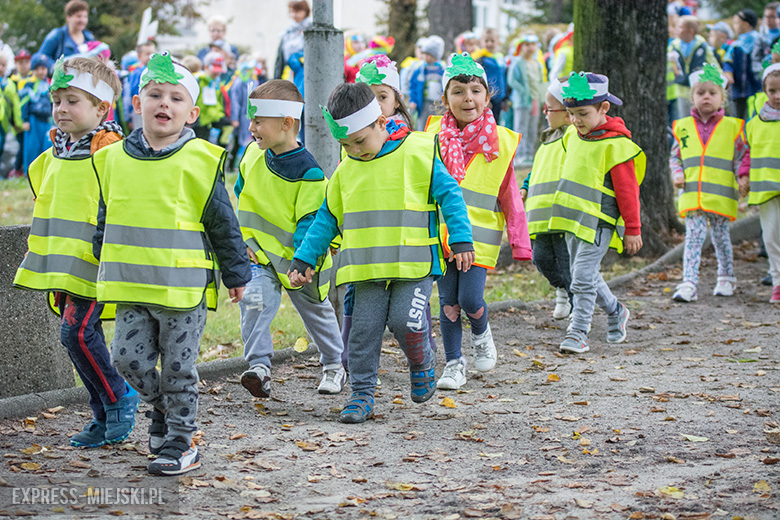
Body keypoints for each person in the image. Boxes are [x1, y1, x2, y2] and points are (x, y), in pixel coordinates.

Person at [92, 51, 251, 475]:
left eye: (175, 98)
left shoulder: (199, 160)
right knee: (127, 361)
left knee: (178, 369)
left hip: (182, 289)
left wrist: (235, 273)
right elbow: (108, 213)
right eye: (155, 94)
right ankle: (164, 411)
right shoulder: (112, 159)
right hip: (131, 285)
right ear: (137, 103)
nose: (165, 104)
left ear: (192, 111)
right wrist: (97, 250)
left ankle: (182, 441)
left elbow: (222, 221)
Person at [289, 82, 474, 423]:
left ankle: (421, 363)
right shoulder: (345, 171)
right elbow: (327, 219)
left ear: (380, 122)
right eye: (345, 144)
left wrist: (461, 239)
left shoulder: (419, 152)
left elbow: (450, 195)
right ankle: (361, 395)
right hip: (365, 271)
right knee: (362, 334)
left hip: (414, 265)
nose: (354, 150)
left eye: (359, 141)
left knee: (406, 322)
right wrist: (305, 257)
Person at [13, 56, 138, 448]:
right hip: (66, 266)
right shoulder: (57, 151)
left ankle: (119, 397)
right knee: (74, 336)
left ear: (102, 108)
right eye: (57, 101)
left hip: (96, 265)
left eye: (72, 101)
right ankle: (102, 413)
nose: (61, 109)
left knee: (77, 332)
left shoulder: (113, 153)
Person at [424, 53, 531, 389]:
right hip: (441, 236)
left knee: (470, 300)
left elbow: (510, 195)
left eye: (475, 90)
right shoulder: (431, 140)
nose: (467, 98)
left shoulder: (500, 143)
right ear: (445, 99)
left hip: (479, 239)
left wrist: (520, 242)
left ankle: (482, 332)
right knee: (447, 303)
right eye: (458, 91)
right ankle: (454, 363)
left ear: (487, 96)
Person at [236, 79, 345, 398]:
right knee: (254, 301)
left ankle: (335, 366)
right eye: (251, 120)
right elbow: (241, 193)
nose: (252, 127)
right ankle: (258, 368)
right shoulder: (252, 156)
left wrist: (303, 261)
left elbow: (312, 222)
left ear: (286, 123)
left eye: (258, 121)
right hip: (260, 256)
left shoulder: (309, 173)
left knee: (317, 313)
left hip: (301, 262)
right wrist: (243, 240)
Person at [549, 71, 645, 354]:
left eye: (582, 113)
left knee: (580, 277)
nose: (576, 120)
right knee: (585, 275)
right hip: (572, 220)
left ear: (604, 108)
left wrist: (633, 229)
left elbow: (629, 193)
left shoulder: (618, 147)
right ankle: (616, 311)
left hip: (599, 223)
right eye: (570, 113)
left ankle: (578, 332)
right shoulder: (571, 135)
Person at [671, 64, 745, 302]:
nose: (706, 97)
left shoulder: (733, 127)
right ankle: (689, 283)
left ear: (722, 98)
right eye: (700, 93)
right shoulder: (682, 127)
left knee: (722, 238)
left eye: (712, 93)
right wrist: (676, 174)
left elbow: (742, 158)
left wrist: (743, 177)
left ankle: (726, 277)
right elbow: (676, 156)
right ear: (692, 97)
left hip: (721, 196)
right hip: (692, 195)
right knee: (693, 239)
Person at [522, 78, 573, 320]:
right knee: (540, 258)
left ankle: (577, 307)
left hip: (563, 216)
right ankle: (561, 288)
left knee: (567, 262)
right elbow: (537, 170)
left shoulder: (572, 138)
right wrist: (524, 187)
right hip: (541, 217)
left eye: (549, 108)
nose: (545, 113)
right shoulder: (546, 140)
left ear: (567, 113)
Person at [739, 63, 780, 301]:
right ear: (765, 90)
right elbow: (748, 152)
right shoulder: (755, 123)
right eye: (772, 91)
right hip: (765, 189)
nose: (777, 96)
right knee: (772, 237)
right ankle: (777, 281)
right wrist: (744, 176)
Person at [668, 15, 722, 121]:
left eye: (680, 27)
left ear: (690, 30)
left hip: (699, 89)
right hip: (681, 89)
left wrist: (720, 81)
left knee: (699, 118)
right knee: (683, 118)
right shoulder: (674, 45)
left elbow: (713, 63)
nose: (676, 30)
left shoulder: (702, 46)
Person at [508, 34, 546, 167]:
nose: (530, 48)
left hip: (535, 100)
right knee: (521, 127)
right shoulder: (518, 62)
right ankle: (520, 155)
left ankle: (529, 154)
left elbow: (540, 81)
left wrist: (541, 98)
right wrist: (524, 91)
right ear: (521, 46)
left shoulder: (537, 64)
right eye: (527, 45)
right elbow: (512, 80)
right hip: (522, 101)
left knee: (532, 128)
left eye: (533, 45)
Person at [725, 9, 769, 119]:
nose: (734, 26)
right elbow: (728, 62)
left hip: (756, 89)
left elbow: (766, 61)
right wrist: (728, 73)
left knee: (755, 117)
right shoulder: (735, 45)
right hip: (738, 91)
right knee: (738, 120)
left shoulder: (760, 41)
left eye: (736, 23)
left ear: (745, 24)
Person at [19, 54, 53, 175]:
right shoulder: (29, 84)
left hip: (46, 120)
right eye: (37, 69)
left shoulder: (49, 84)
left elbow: (52, 103)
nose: (40, 72)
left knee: (46, 145)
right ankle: (29, 171)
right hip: (33, 120)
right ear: (33, 70)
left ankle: (45, 171)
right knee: (32, 147)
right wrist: (25, 120)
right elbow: (24, 104)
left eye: (43, 68)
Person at [34, 0, 94, 68]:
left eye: (85, 17)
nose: (82, 20)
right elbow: (40, 56)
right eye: (78, 16)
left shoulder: (89, 37)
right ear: (68, 17)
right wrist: (56, 67)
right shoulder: (57, 35)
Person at [409, 35, 445, 130]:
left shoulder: (443, 69)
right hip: (424, 103)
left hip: (439, 103)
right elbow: (413, 86)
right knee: (423, 124)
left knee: (438, 123)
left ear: (434, 55)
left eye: (427, 54)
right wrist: (413, 100)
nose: (424, 57)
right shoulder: (420, 69)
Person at [473, 28, 507, 123]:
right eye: (486, 41)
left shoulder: (500, 58)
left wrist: (505, 99)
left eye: (492, 41)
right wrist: (485, 99)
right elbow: (478, 80)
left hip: (499, 98)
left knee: (496, 123)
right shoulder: (481, 59)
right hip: (488, 99)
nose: (489, 44)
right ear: (481, 42)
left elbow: (504, 78)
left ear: (498, 42)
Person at [8, 50, 32, 178]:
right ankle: (17, 169)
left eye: (26, 62)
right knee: (22, 145)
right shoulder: (11, 82)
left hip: (31, 121)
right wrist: (14, 122)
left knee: (29, 145)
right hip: (17, 122)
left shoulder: (34, 80)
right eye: (20, 62)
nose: (24, 65)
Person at [124, 41, 156, 131]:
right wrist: (129, 117)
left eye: (154, 53)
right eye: (148, 54)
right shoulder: (137, 73)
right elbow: (131, 94)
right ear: (139, 56)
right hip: (139, 110)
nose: (151, 57)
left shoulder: (157, 72)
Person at [274, 1, 311, 80]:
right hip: (289, 76)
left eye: (297, 11)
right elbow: (280, 60)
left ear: (305, 11)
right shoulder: (287, 33)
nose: (294, 15)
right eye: (292, 12)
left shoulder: (311, 30)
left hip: (307, 76)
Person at [0, 54, 22, 171]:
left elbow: (15, 105)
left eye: (3, 65)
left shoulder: (9, 83)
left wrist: (17, 122)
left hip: (5, 121)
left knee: (1, 145)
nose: (0, 68)